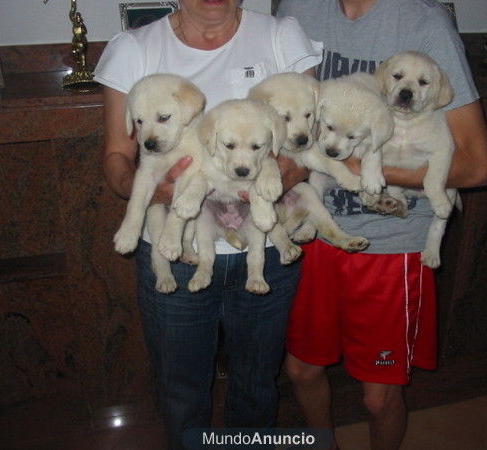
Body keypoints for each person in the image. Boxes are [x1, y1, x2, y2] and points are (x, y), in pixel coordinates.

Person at [93, 1, 321, 448]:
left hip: (264, 245)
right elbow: (117, 155)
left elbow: (308, 139)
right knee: (181, 387)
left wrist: (281, 177)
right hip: (175, 248)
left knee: (257, 383)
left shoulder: (281, 36)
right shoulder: (134, 48)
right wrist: (152, 191)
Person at [277, 1, 487, 449]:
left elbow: (476, 168)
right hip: (313, 226)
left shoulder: (423, 23)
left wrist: (366, 169)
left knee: (378, 396)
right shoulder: (298, 9)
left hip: (391, 243)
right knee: (300, 368)